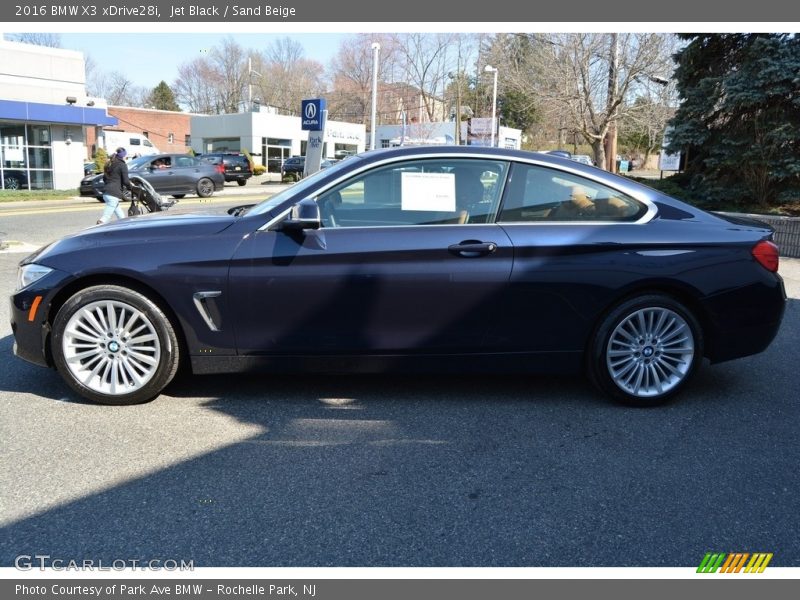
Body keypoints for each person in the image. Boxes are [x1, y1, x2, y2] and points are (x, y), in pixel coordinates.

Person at [98, 147, 132, 224]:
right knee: (105, 217)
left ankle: (124, 224)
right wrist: (131, 188)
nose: (126, 157)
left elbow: (104, 178)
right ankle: (99, 225)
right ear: (123, 155)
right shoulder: (122, 165)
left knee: (120, 215)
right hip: (113, 194)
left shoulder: (110, 164)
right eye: (126, 155)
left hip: (106, 193)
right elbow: (126, 181)